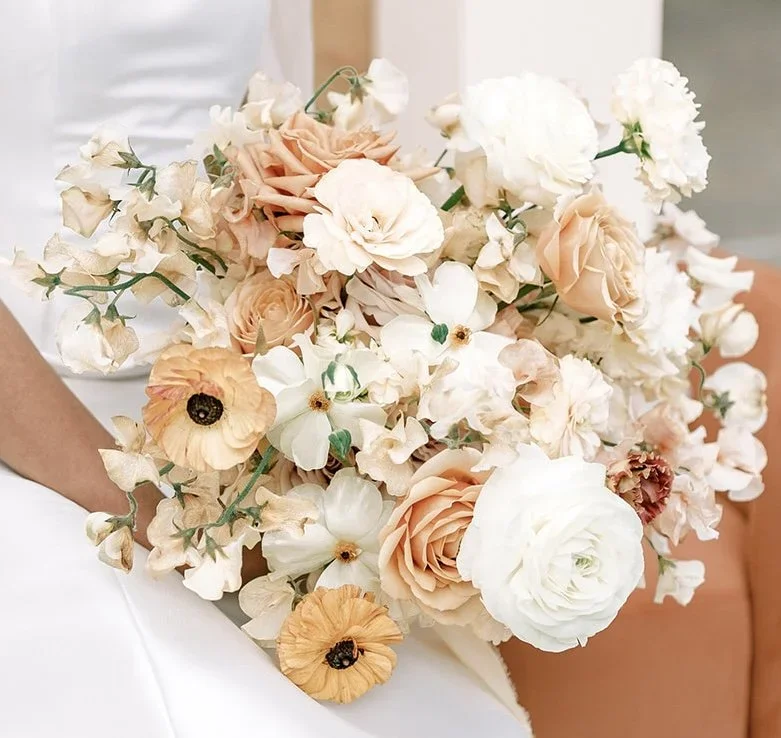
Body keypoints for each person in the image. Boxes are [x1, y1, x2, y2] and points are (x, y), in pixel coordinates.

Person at [0, 3, 527, 736]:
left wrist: (358, 383)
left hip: (242, 415)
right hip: (33, 428)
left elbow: (266, 124)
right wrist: (154, 516)